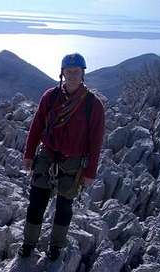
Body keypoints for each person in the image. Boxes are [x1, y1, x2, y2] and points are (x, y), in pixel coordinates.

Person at [19, 52, 105, 260]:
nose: (72, 76)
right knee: (37, 201)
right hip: (47, 155)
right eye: (69, 72)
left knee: (64, 206)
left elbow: (96, 141)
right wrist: (29, 154)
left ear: (83, 73)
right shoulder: (50, 97)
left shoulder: (93, 105)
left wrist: (90, 171)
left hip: (74, 161)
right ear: (62, 73)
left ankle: (55, 247)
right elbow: (37, 125)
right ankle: (28, 244)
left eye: (76, 72)